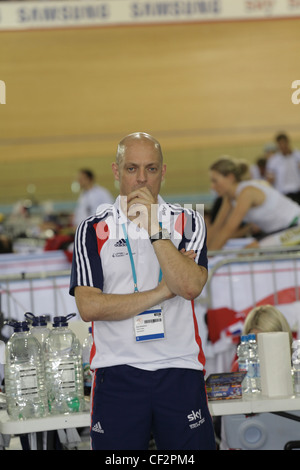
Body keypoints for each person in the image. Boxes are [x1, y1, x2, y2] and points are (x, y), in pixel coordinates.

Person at [69, 132, 216, 450]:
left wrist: (154, 227)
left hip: (179, 367)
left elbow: (189, 286)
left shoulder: (187, 220)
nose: (141, 179)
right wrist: (163, 291)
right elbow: (90, 307)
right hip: (117, 370)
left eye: (151, 169)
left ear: (163, 172)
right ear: (116, 171)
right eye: (132, 168)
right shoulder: (92, 229)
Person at [207, 156, 300, 250]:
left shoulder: (247, 193)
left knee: (249, 251)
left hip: (296, 227)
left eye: (215, 181)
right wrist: (201, 251)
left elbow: (229, 229)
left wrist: (207, 257)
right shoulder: (229, 198)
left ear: (230, 177)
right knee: (248, 249)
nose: (212, 186)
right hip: (280, 230)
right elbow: (216, 227)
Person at [266, 133, 300, 204]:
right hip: (283, 193)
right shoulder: (274, 160)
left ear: (287, 142)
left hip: (297, 191)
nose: (282, 146)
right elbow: (270, 178)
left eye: (283, 143)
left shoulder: (297, 156)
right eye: (279, 144)